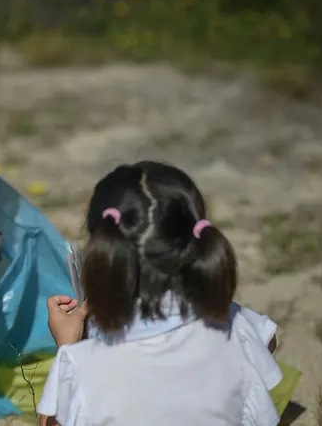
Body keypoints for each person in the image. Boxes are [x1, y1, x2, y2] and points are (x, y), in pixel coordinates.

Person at [38, 161, 282, 426]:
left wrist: (67, 345)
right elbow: (268, 342)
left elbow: (54, 422)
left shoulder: (82, 364)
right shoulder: (231, 322)